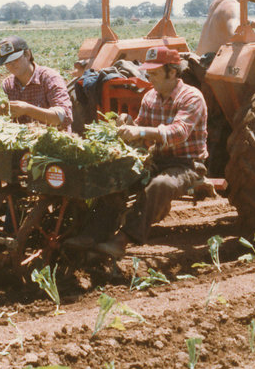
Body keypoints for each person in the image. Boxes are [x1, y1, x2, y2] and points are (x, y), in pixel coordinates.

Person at [87, 45, 209, 258]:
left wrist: (139, 130)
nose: (149, 78)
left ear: (172, 72)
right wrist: (128, 124)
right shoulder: (150, 97)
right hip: (156, 159)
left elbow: (178, 132)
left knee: (160, 185)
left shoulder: (191, 97)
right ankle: (94, 234)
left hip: (186, 164)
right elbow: (142, 127)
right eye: (148, 73)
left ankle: (122, 240)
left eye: (154, 73)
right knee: (114, 176)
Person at [0, 36, 73, 131]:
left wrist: (28, 109)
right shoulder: (8, 84)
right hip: (23, 141)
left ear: (27, 54)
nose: (11, 65)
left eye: (15, 59)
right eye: (7, 62)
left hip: (52, 140)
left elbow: (64, 117)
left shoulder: (49, 78)